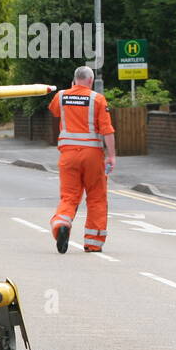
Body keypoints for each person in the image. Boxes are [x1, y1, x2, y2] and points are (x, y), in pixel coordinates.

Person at [49, 66, 116, 254]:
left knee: (69, 196)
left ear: (74, 80)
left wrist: (71, 91)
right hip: (92, 156)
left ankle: (61, 224)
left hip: (68, 156)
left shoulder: (61, 96)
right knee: (96, 197)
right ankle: (93, 243)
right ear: (91, 81)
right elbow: (107, 130)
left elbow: (55, 112)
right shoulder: (98, 99)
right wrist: (111, 155)